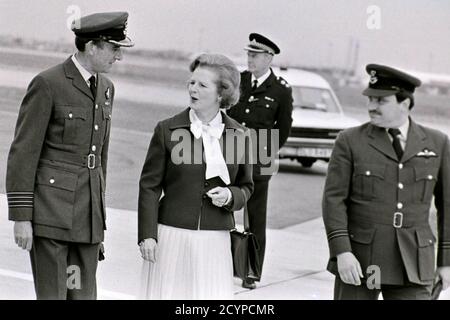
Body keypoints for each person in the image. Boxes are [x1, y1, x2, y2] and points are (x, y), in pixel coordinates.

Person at [5, 12, 134, 300]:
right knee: (54, 295)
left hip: (87, 219)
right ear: (92, 46)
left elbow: (100, 158)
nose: (119, 57)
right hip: (51, 213)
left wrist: (99, 224)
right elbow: (23, 152)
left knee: (82, 296)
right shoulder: (48, 83)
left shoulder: (106, 89)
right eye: (114, 49)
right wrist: (22, 217)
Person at [322, 64, 450, 300]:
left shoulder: (437, 143)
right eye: (370, 99)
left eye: (381, 101)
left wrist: (446, 261)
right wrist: (342, 252)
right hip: (362, 263)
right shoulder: (350, 141)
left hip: (414, 263)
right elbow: (334, 200)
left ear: (405, 103)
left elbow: (447, 206)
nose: (371, 107)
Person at [138, 53, 254, 299]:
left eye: (202, 85)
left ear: (221, 93)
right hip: (171, 234)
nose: (193, 89)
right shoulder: (167, 129)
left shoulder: (239, 135)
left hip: (215, 241)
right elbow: (149, 186)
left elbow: (246, 187)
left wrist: (230, 196)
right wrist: (147, 235)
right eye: (192, 82)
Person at [227, 33, 293, 289]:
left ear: (268, 58)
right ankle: (223, 263)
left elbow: (284, 128)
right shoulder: (239, 81)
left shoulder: (281, 89)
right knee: (223, 211)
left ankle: (250, 272)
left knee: (255, 219)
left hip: (259, 162)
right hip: (232, 156)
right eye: (248, 54)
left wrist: (265, 154)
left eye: (255, 55)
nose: (250, 59)